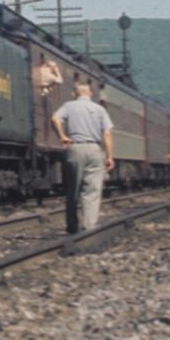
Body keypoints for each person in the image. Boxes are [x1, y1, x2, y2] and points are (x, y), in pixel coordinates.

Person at [51, 81, 115, 233]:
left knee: (73, 189)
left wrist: (62, 136)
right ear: (90, 93)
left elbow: (55, 118)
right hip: (94, 148)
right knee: (92, 191)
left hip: (75, 148)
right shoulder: (100, 109)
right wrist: (110, 156)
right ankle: (89, 227)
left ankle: (72, 226)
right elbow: (107, 133)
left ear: (74, 93)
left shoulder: (68, 106)